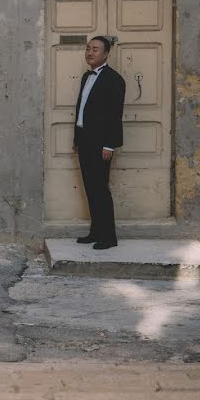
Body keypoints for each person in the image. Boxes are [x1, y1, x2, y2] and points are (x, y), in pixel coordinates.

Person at [73, 36, 125, 250]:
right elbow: (82, 110)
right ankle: (95, 232)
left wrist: (109, 145)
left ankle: (109, 237)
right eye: (88, 49)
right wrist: (76, 138)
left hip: (101, 144)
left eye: (95, 49)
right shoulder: (86, 77)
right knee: (90, 188)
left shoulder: (115, 80)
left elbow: (115, 115)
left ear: (106, 54)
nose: (90, 52)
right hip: (84, 140)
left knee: (100, 189)